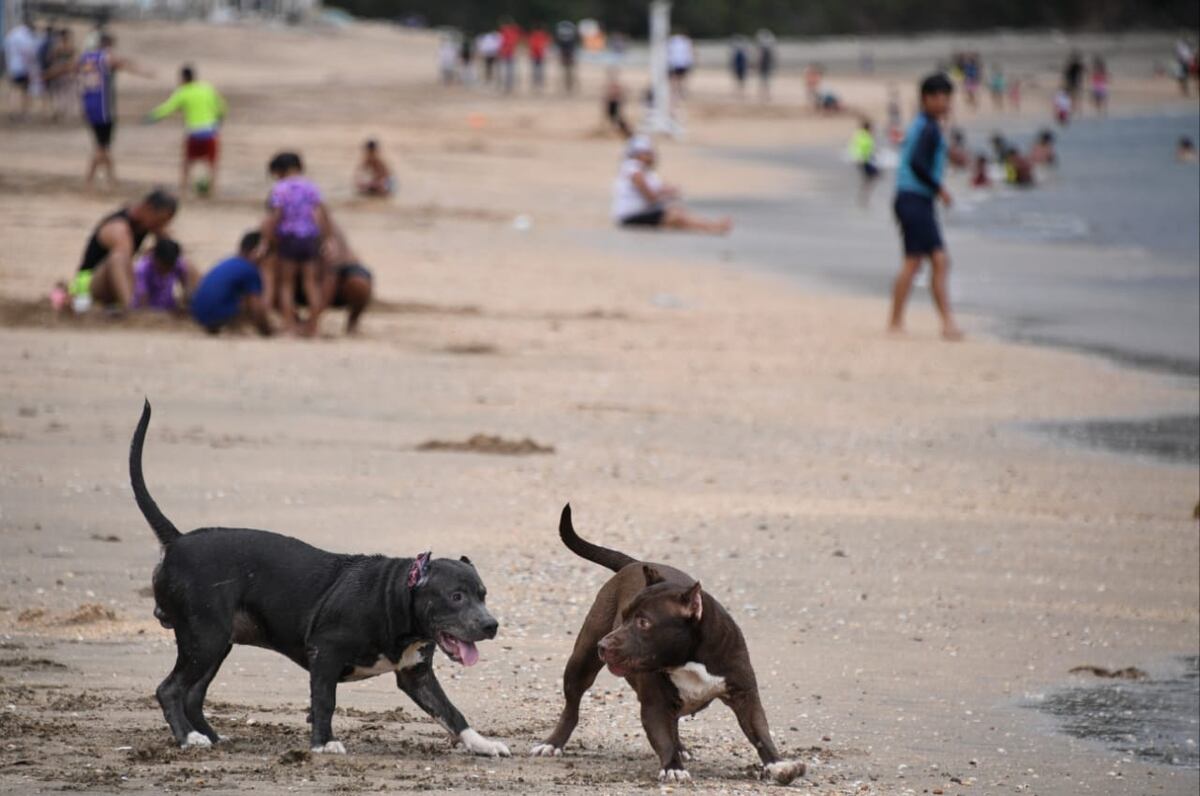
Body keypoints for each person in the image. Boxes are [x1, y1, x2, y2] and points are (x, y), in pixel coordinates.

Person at [889, 73, 962, 341]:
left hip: (913, 198)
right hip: (914, 198)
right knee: (915, 261)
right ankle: (897, 322)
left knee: (938, 260)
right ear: (926, 99)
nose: (944, 103)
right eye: (939, 97)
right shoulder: (928, 127)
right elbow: (918, 162)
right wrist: (940, 189)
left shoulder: (924, 125)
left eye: (947, 98)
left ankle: (946, 322)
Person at [72, 189, 178, 312]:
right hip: (85, 284)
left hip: (111, 282)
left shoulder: (145, 222)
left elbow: (170, 252)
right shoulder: (119, 228)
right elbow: (125, 264)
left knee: (173, 254)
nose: (161, 226)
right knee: (119, 258)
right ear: (147, 208)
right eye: (160, 221)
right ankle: (130, 309)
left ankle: (192, 300)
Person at [260, 151, 329, 337]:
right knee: (310, 283)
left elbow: (276, 215)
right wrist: (324, 238)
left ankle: (289, 325)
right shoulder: (311, 187)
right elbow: (320, 214)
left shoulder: (280, 189)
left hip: (289, 239)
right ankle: (313, 327)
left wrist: (267, 240)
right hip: (309, 238)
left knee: (286, 284)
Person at [610, 135, 732, 235]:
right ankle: (712, 227)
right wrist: (666, 194)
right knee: (675, 215)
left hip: (641, 212)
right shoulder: (633, 168)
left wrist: (669, 192)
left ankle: (710, 225)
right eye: (647, 153)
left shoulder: (645, 171)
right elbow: (650, 196)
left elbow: (658, 189)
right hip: (631, 216)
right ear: (638, 154)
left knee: (677, 212)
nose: (651, 156)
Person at [77, 32, 151, 189]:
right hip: (104, 110)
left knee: (103, 146)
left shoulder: (85, 58)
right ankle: (91, 179)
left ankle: (111, 178)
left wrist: (46, 75)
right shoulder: (105, 58)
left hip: (90, 108)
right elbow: (121, 64)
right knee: (102, 146)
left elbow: (67, 68)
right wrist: (144, 72)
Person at [146, 64, 227, 197]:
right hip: (210, 132)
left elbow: (168, 108)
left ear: (183, 78)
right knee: (212, 164)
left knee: (187, 163)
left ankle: (183, 189)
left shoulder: (183, 92)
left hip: (194, 133)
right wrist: (220, 119)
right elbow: (221, 106)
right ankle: (212, 190)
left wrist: (153, 116)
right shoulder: (207, 88)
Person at [190, 231, 272, 335]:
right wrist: (267, 331)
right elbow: (256, 307)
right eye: (266, 253)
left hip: (197, 314)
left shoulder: (228, 262)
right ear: (256, 252)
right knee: (249, 299)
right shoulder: (250, 270)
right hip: (217, 317)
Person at [312, 219, 373, 335]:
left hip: (335, 279)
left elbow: (333, 270)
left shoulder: (326, 225)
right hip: (306, 280)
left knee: (358, 281)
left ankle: (352, 322)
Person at [132, 237, 197, 311]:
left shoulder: (177, 263)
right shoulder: (142, 269)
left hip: (168, 307)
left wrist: (187, 300)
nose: (166, 271)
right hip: (148, 309)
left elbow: (187, 287)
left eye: (169, 267)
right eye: (164, 267)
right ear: (156, 258)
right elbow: (142, 298)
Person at [4, 17, 38, 119]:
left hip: (12, 67)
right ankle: (24, 112)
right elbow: (29, 53)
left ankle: (13, 111)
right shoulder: (26, 36)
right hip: (24, 67)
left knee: (14, 90)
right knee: (25, 91)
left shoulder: (12, 34)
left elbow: (6, 50)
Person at [850, 119, 880, 207]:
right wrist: (861, 157)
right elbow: (861, 148)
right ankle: (864, 197)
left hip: (863, 160)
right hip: (864, 160)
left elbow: (859, 147)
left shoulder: (862, 135)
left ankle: (864, 197)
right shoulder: (865, 136)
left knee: (871, 177)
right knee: (871, 177)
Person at [603, 69, 631, 138]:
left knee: (616, 118)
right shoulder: (612, 86)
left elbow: (620, 95)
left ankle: (621, 130)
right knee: (613, 117)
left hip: (614, 103)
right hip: (612, 103)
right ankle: (620, 130)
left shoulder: (615, 86)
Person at [667, 30, 694, 100]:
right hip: (681, 63)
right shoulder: (686, 41)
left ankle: (676, 92)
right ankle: (679, 92)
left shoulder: (673, 41)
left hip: (676, 62)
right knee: (680, 79)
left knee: (674, 79)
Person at [498, 19, 522, 94]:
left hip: (508, 54)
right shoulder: (510, 33)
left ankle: (508, 86)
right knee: (509, 71)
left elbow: (506, 43)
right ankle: (508, 86)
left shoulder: (506, 33)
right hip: (509, 53)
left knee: (508, 71)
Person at [555, 20, 579, 94]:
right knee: (569, 72)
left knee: (567, 71)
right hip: (568, 55)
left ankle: (568, 85)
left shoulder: (562, 35)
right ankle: (569, 85)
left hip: (566, 55)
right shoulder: (570, 36)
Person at [527, 25, 550, 91]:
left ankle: (536, 84)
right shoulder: (542, 35)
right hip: (538, 55)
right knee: (540, 70)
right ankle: (539, 84)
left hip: (536, 55)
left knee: (536, 70)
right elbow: (545, 45)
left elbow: (531, 44)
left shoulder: (534, 35)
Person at [756, 29, 776, 101]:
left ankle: (764, 94)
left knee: (764, 80)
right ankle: (765, 94)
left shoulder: (763, 47)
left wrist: (758, 64)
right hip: (766, 65)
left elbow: (760, 57)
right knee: (765, 80)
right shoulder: (769, 46)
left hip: (764, 65)